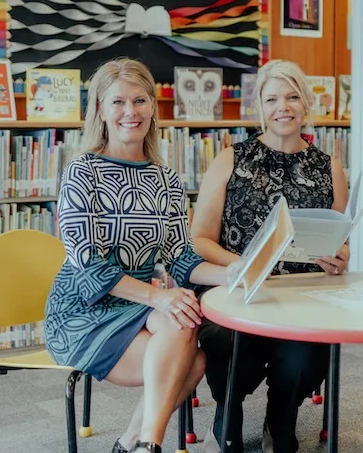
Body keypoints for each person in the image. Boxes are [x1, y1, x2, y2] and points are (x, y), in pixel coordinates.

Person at [44, 58, 234, 453]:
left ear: (152, 107)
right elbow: (88, 267)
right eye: (118, 102)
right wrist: (159, 297)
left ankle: (138, 443)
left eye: (139, 100)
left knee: (187, 337)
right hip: (82, 309)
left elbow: (182, 258)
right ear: (100, 110)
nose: (130, 112)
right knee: (191, 356)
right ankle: (146, 444)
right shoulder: (82, 171)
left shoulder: (166, 179)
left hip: (137, 304)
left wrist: (234, 274)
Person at [190, 59, 350, 453]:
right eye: (273, 99)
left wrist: (339, 258)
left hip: (300, 296)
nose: (283, 107)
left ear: (306, 102)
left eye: (293, 97)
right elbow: (200, 240)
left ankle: (281, 420)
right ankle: (227, 416)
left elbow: (339, 241)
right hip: (237, 289)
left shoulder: (329, 167)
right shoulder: (231, 159)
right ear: (260, 106)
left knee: (304, 358)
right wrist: (240, 266)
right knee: (225, 342)